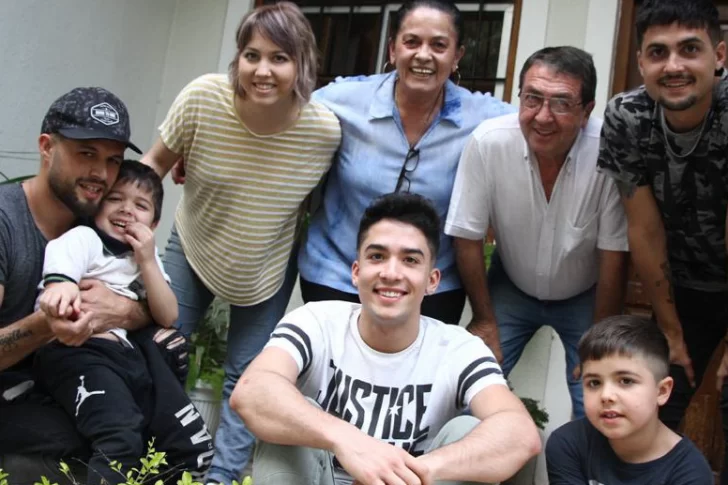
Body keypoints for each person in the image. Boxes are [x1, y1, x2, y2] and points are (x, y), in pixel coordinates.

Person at [141, 3, 341, 483]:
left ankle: (222, 477)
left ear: (303, 64)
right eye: (252, 55)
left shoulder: (323, 132)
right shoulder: (202, 98)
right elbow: (153, 167)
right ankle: (155, 466)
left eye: (279, 58)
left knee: (248, 379)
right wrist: (127, 234)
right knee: (161, 352)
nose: (263, 70)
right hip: (194, 244)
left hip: (267, 264)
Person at [232, 192, 541, 485]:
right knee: (291, 416)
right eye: (377, 256)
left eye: (410, 260)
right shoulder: (316, 322)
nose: (391, 273)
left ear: (432, 280)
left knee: (468, 429)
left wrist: (413, 471)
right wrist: (347, 440)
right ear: (356, 272)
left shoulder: (458, 349)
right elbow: (251, 391)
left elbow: (520, 433)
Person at [296, 0, 515, 325]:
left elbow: (541, 127)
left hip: (431, 287)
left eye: (438, 45)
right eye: (412, 42)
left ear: (457, 56)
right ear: (392, 49)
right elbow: (281, 115)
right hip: (337, 275)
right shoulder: (343, 100)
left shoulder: (482, 117)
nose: (423, 55)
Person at [445, 46, 629, 419]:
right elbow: (466, 237)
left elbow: (614, 255)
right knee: (469, 391)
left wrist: (601, 336)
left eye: (561, 103)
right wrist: (484, 319)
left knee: (598, 399)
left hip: (586, 292)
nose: (542, 116)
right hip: (511, 286)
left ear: (586, 111)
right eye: (532, 99)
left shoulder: (608, 151)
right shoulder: (489, 142)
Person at [0, 87, 163, 483]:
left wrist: (127, 311)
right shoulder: (6, 223)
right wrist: (46, 324)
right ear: (46, 147)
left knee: (146, 422)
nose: (101, 174)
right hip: (13, 398)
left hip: (58, 384)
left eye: (112, 160)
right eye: (86, 153)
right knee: (94, 439)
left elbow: (141, 300)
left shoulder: (102, 222)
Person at [597, 0, 728, 480]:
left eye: (689, 49)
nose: (673, 66)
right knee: (655, 401)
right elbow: (644, 228)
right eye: (658, 52)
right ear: (640, 62)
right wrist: (671, 332)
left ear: (719, 55)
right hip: (683, 285)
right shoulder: (627, 117)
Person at [33, 159, 212, 485]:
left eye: (140, 205)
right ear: (97, 207)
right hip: (78, 354)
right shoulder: (85, 239)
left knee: (182, 442)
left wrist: (147, 260)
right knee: (119, 438)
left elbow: (168, 315)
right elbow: (61, 273)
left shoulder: (145, 258)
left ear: (154, 224)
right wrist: (62, 287)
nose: (126, 209)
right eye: (115, 198)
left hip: (126, 358)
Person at [546, 315, 713, 485]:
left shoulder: (690, 473)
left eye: (626, 381)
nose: (606, 395)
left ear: (662, 391)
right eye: (594, 383)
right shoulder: (569, 444)